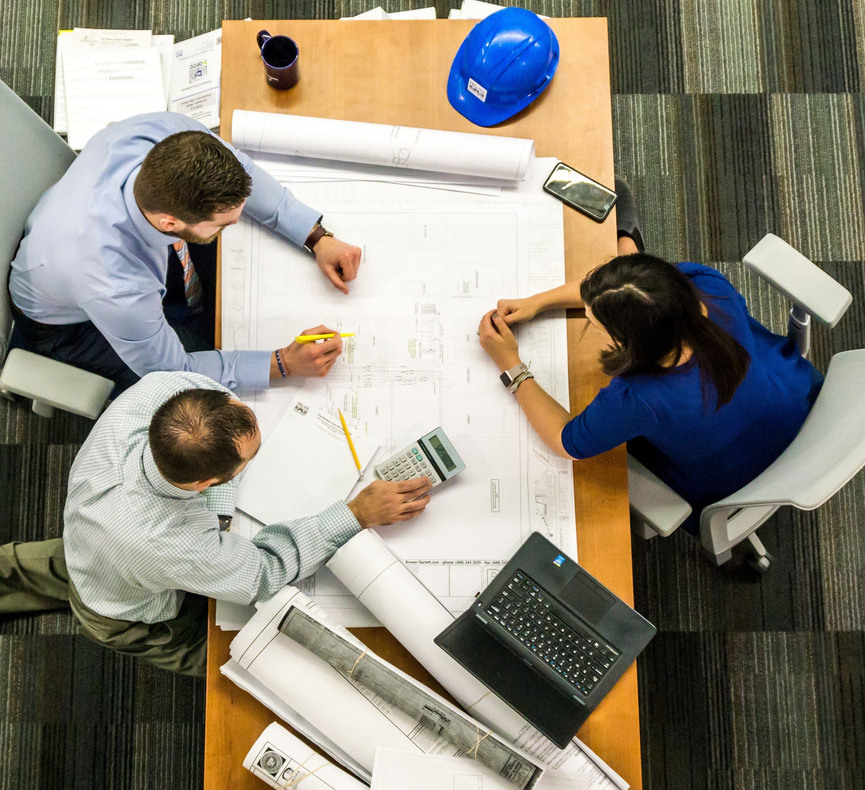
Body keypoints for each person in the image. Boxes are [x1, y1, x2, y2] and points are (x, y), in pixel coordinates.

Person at [0, 371, 432, 676]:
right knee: (250, 657)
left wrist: (220, 512)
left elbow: (211, 391)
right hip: (124, 611)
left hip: (85, 537)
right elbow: (262, 572)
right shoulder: (168, 543)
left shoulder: (158, 392)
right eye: (251, 459)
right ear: (204, 483)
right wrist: (354, 513)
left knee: (22, 569)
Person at [477, 179, 823, 534]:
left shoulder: (639, 399)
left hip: (734, 480)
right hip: (797, 400)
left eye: (595, 323)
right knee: (618, 194)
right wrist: (537, 302)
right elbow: (620, 290)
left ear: (633, 344)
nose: (588, 321)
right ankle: (628, 242)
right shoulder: (704, 285)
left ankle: (628, 240)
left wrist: (511, 365)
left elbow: (568, 442)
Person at [8, 112, 362, 394]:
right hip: (68, 326)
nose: (236, 223)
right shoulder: (113, 283)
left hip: (75, 243)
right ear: (170, 222)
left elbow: (245, 172)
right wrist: (282, 363)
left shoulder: (166, 133)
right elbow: (175, 371)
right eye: (224, 222)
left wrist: (315, 236)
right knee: (203, 395)